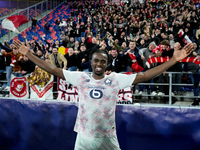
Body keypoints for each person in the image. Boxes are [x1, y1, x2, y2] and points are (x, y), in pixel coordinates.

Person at [14, 40, 193, 150]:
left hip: (108, 136)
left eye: (103, 61)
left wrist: (174, 60)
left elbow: (145, 75)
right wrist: (28, 53)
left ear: (107, 64)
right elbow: (52, 68)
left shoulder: (115, 79)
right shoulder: (81, 78)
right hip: (84, 136)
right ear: (91, 63)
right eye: (96, 60)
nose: (99, 64)